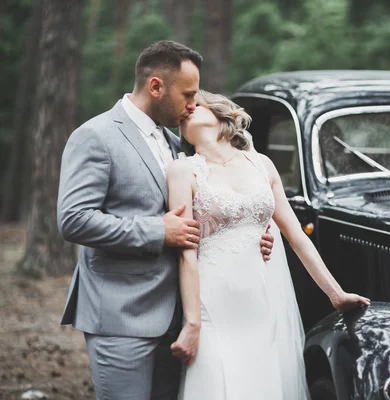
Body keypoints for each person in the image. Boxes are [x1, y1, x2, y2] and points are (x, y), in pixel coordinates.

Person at [56, 41, 274, 400]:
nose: (193, 104)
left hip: (181, 319)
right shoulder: (96, 136)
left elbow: (199, 212)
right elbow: (74, 219)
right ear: (156, 86)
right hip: (121, 316)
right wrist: (159, 230)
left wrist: (250, 236)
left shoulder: (177, 144)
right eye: (188, 94)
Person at [167, 90, 371, 399]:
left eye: (197, 105)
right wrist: (192, 322)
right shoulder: (182, 170)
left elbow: (296, 236)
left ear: (220, 113)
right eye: (185, 110)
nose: (188, 110)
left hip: (262, 298)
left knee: (262, 383)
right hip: (212, 299)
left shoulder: (261, 164)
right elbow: (186, 252)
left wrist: (336, 294)